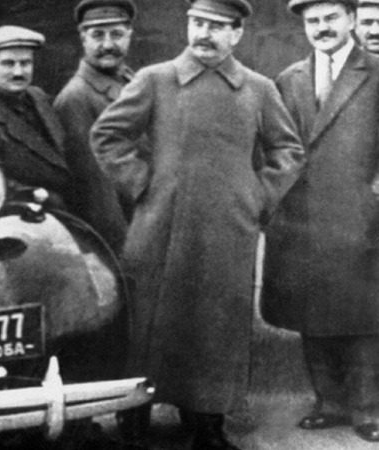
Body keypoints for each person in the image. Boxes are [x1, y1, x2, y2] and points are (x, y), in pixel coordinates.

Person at [90, 0, 306, 448]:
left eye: (216, 26)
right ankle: (135, 417)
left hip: (228, 232)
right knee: (150, 323)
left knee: (216, 327)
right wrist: (143, 184)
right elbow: (108, 136)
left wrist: (257, 196)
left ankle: (207, 423)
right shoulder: (155, 79)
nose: (204, 34)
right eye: (197, 23)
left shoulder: (258, 89)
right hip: (160, 228)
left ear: (236, 34)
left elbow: (288, 152)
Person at [261, 0, 379, 442]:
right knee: (312, 313)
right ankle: (328, 403)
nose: (322, 27)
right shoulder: (288, 79)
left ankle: (367, 409)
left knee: (364, 316)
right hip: (302, 217)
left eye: (331, 18)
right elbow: (274, 145)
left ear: (351, 19)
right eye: (313, 21)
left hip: (360, 214)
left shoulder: (376, 72)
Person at [0, 25, 124, 251]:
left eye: (25, 63)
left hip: (70, 215)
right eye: (8, 64)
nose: (18, 72)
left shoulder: (37, 97)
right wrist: (40, 195)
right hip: (25, 229)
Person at [53, 0, 139, 250]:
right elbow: (97, 194)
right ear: (83, 38)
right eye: (98, 35)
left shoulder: (129, 80)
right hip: (124, 236)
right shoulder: (76, 98)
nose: (108, 45)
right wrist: (127, 253)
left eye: (117, 34)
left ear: (129, 35)